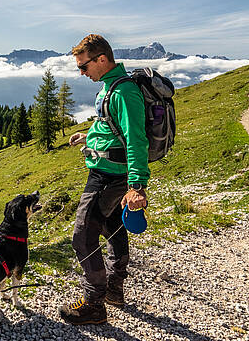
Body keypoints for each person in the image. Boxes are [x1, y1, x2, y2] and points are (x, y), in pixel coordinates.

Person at [58, 34, 149, 326]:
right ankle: (113, 290)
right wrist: (90, 136)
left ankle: (93, 304)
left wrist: (137, 186)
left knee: (83, 235)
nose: (82, 73)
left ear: (101, 59)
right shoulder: (111, 88)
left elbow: (136, 139)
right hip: (108, 169)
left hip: (109, 176)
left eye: (83, 67)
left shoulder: (124, 93)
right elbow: (111, 125)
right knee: (112, 228)